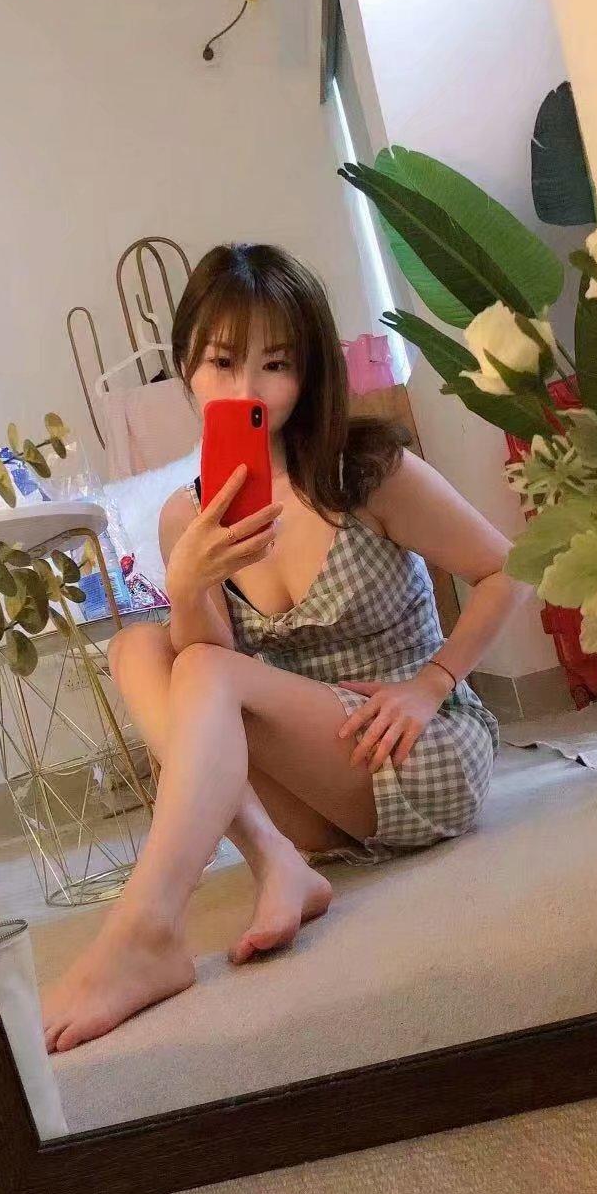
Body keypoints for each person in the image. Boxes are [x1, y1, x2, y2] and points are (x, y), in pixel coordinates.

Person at [42, 242, 529, 1054]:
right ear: (185, 366)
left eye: (275, 364)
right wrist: (189, 583)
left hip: (408, 750)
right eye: (221, 362)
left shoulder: (365, 471)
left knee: (196, 667)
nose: (247, 390)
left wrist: (432, 683)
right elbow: (203, 670)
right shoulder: (185, 515)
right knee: (137, 648)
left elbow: (506, 569)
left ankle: (148, 929)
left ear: (307, 373)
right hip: (307, 796)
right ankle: (275, 860)